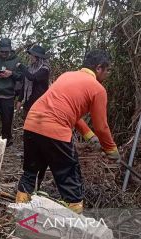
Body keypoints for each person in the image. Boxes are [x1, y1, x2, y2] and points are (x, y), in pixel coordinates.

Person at [16, 50, 120, 214]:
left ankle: (20, 213)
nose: (108, 74)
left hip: (32, 124)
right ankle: (73, 220)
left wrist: (89, 135)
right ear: (99, 68)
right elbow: (102, 127)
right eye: (108, 70)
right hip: (55, 129)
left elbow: (68, 111)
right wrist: (111, 150)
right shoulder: (97, 89)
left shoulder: (67, 76)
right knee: (69, 176)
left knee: (31, 172)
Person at [16, 45, 50, 118]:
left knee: (35, 127)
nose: (30, 57)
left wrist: (21, 67)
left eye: (32, 55)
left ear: (37, 57)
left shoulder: (44, 69)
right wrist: (19, 100)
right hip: (27, 102)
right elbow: (24, 85)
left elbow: (32, 77)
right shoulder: (30, 68)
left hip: (39, 104)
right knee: (26, 126)